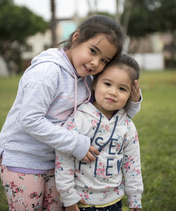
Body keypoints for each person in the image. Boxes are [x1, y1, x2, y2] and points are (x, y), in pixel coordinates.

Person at [0, 15, 141, 210]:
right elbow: (30, 120)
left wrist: (132, 101)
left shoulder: (86, 79)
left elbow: (107, 112)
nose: (94, 63)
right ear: (76, 37)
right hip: (25, 160)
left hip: (56, 163)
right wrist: (76, 144)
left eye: (104, 60)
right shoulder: (47, 72)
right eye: (92, 51)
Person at [55, 54, 143, 211]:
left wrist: (135, 198)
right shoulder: (78, 120)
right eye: (107, 84)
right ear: (95, 83)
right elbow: (64, 161)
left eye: (122, 89)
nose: (113, 92)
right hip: (80, 202)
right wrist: (68, 198)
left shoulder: (127, 126)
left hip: (114, 201)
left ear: (132, 93)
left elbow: (132, 164)